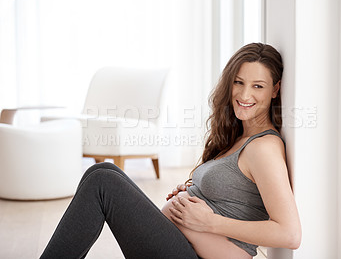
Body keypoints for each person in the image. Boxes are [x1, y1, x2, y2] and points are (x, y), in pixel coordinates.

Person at [40, 43, 301, 259]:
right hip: (180, 245)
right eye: (239, 82)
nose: (244, 94)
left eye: (258, 86)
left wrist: (210, 222)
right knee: (103, 170)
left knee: (102, 180)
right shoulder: (241, 136)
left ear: (275, 89)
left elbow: (290, 234)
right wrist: (193, 192)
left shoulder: (265, 147)